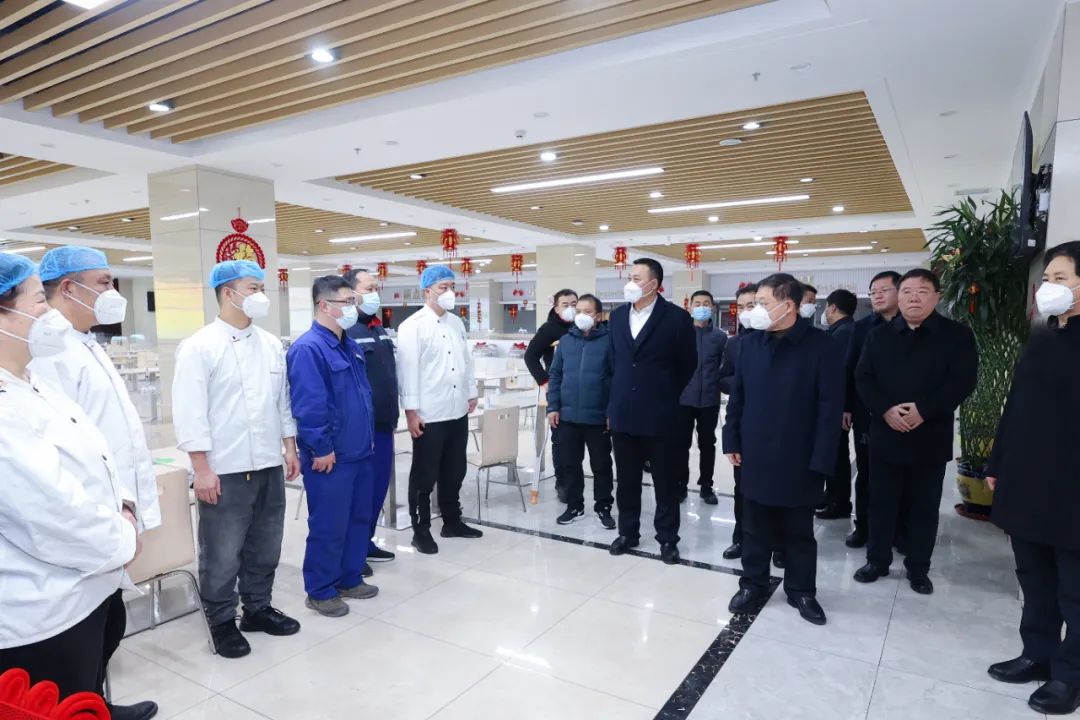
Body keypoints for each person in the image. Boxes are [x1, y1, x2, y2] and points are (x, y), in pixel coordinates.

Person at [0, 255, 148, 719]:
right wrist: (124, 538)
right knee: (61, 701)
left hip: (86, 583)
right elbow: (52, 512)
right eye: (38, 301)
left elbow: (94, 450)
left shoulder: (30, 381)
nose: (49, 312)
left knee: (87, 690)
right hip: (43, 609)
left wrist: (123, 505)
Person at [173, 260, 301, 656]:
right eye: (253, 287)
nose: (261, 294)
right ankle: (220, 620)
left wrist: (289, 446)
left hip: (268, 464)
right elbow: (190, 413)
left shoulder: (270, 344)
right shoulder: (199, 347)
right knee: (223, 550)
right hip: (224, 468)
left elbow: (281, 402)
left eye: (261, 287)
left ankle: (257, 608)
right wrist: (201, 469)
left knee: (266, 543)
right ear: (229, 294)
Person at [985, 241, 1080, 715]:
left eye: (1060, 278)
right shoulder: (1043, 334)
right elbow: (1015, 407)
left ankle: (1069, 676)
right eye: (1046, 279)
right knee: (1035, 577)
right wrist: (997, 463)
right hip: (1027, 476)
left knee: (1074, 587)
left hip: (1072, 485)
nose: (1048, 287)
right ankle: (1036, 653)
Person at [723, 273, 843, 626]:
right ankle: (753, 584)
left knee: (798, 531)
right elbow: (738, 398)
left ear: (788, 305)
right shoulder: (749, 345)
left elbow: (830, 409)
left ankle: (801, 590)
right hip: (755, 451)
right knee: (754, 526)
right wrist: (732, 439)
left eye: (763, 303)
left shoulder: (822, 347)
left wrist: (822, 459)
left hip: (800, 454)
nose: (755, 310)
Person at [853, 269, 977, 595]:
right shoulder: (878, 336)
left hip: (930, 436)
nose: (914, 298)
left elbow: (963, 381)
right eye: (907, 291)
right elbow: (864, 377)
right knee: (881, 503)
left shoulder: (957, 336)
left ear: (937, 296)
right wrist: (885, 410)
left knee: (924, 506)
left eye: (922, 291)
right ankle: (877, 560)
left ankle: (919, 568)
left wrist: (924, 410)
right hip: (886, 433)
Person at [31, 246, 161, 535]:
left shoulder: (85, 342)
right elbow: (59, 446)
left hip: (117, 504)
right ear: (69, 289)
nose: (112, 291)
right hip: (93, 511)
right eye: (104, 283)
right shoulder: (49, 353)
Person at [287, 275, 379, 618]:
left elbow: (362, 396)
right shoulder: (308, 349)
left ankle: (349, 577)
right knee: (329, 524)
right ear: (324, 306)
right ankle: (321, 589)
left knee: (357, 518)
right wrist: (321, 447)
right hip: (331, 456)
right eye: (348, 302)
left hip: (360, 451)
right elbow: (310, 405)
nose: (354, 308)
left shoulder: (349, 345)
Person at [607, 258, 696, 564]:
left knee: (665, 482)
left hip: (661, 413)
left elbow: (688, 363)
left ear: (654, 284)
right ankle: (628, 532)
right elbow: (613, 361)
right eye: (629, 277)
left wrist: (665, 391)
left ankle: (668, 538)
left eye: (636, 278)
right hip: (623, 413)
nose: (630, 283)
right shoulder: (617, 316)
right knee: (627, 480)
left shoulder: (676, 318)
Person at [396, 265, 481, 555]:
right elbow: (407, 372)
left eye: (452, 287)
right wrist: (411, 412)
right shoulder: (413, 326)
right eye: (443, 287)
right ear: (427, 291)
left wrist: (471, 392)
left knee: (454, 470)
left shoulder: (456, 323)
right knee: (425, 475)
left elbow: (465, 361)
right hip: (429, 414)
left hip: (457, 410)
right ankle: (420, 530)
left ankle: (452, 521)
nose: (449, 292)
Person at [343, 269, 398, 572]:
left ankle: (366, 542)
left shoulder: (378, 328)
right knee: (359, 494)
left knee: (377, 490)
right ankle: (352, 551)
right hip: (362, 429)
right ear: (351, 293)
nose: (375, 293)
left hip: (384, 424)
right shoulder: (347, 331)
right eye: (369, 288)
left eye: (376, 287)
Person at [546, 294, 615, 529]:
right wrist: (553, 406)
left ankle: (603, 507)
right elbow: (555, 375)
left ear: (598, 316)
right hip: (567, 416)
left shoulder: (610, 342)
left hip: (598, 417)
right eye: (578, 311)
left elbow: (616, 378)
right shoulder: (566, 341)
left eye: (587, 311)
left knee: (601, 465)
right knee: (570, 464)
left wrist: (611, 411)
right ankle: (574, 505)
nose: (581, 315)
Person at [843, 271, 901, 548]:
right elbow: (850, 369)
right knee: (866, 473)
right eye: (873, 291)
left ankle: (899, 530)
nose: (877, 296)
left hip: (905, 414)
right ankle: (864, 527)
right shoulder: (862, 328)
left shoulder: (913, 326)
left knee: (900, 476)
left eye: (883, 290)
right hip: (866, 413)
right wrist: (846, 406)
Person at [525, 289, 578, 503]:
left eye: (574, 303)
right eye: (565, 304)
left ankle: (576, 481)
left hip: (582, 391)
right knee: (561, 441)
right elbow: (530, 356)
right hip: (558, 392)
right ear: (556, 308)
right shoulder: (549, 329)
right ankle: (562, 484)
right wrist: (545, 382)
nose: (571, 308)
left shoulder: (581, 326)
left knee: (577, 440)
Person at [717, 283, 758, 560]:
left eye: (751, 306)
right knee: (742, 487)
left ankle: (779, 545)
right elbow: (723, 378)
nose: (745, 312)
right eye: (741, 307)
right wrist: (746, 385)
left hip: (778, 429)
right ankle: (741, 538)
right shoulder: (734, 344)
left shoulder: (782, 341)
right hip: (743, 424)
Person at [677, 290, 727, 505]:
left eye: (706, 303)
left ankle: (706, 485)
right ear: (689, 307)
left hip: (709, 400)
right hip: (683, 399)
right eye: (697, 303)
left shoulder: (720, 337)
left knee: (708, 444)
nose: (702, 307)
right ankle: (680, 484)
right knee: (681, 444)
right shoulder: (680, 334)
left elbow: (724, 367)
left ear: (713, 308)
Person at [816, 288, 858, 521]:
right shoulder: (845, 330)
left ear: (832, 308)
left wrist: (843, 407)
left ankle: (839, 502)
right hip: (840, 404)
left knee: (837, 455)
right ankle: (831, 495)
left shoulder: (842, 334)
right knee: (835, 453)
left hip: (839, 406)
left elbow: (842, 374)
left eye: (825, 307)